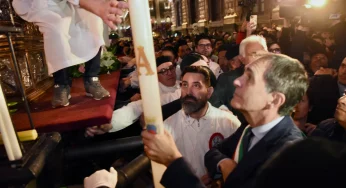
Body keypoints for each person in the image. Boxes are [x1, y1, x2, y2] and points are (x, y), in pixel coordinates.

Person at [142, 54, 309, 188]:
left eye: (249, 78)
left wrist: (172, 160)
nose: (236, 81)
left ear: (274, 100)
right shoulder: (249, 128)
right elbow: (214, 152)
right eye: (242, 73)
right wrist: (225, 163)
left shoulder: (289, 156)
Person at [12, 0, 128, 108]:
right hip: (47, 3)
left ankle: (92, 79)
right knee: (57, 28)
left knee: (94, 21)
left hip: (76, 3)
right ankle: (61, 85)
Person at [164, 66, 240, 182]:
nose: (188, 92)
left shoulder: (229, 123)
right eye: (185, 85)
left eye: (196, 85)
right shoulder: (167, 127)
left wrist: (219, 180)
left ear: (209, 92)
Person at [85, 56, 181, 137]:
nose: (169, 73)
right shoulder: (152, 91)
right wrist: (111, 122)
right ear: (156, 75)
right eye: (163, 71)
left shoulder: (182, 84)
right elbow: (136, 108)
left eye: (171, 68)